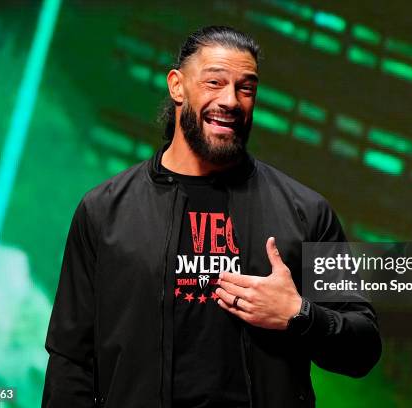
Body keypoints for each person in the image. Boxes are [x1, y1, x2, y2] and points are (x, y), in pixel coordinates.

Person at [42, 25, 381, 408]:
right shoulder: (103, 210)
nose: (231, 100)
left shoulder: (306, 212)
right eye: (214, 82)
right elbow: (70, 362)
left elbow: (363, 347)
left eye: (246, 88)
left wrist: (298, 315)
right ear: (177, 86)